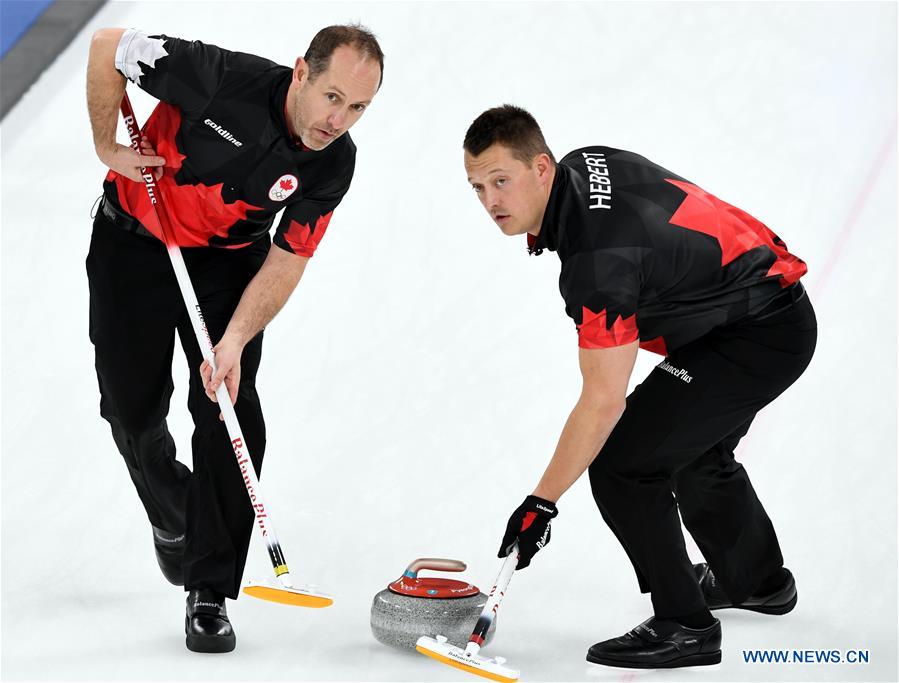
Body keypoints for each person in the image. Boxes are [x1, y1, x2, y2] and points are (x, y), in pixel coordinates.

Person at [463, 105, 816, 669]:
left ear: (542, 168)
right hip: (747, 315)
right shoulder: (587, 164)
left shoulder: (598, 266)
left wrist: (541, 504)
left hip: (759, 333)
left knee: (625, 463)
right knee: (692, 452)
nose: (490, 202)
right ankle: (756, 582)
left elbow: (603, 402)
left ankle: (684, 625)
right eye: (477, 187)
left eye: (501, 181)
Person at [85, 24, 383, 653]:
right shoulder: (216, 78)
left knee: (229, 410)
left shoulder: (334, 161)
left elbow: (290, 257)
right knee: (130, 411)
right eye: (333, 97)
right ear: (302, 71)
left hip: (228, 266)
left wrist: (237, 339)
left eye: (358, 107)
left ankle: (209, 590)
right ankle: (174, 512)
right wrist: (106, 144)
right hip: (134, 242)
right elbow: (107, 44)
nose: (340, 120)